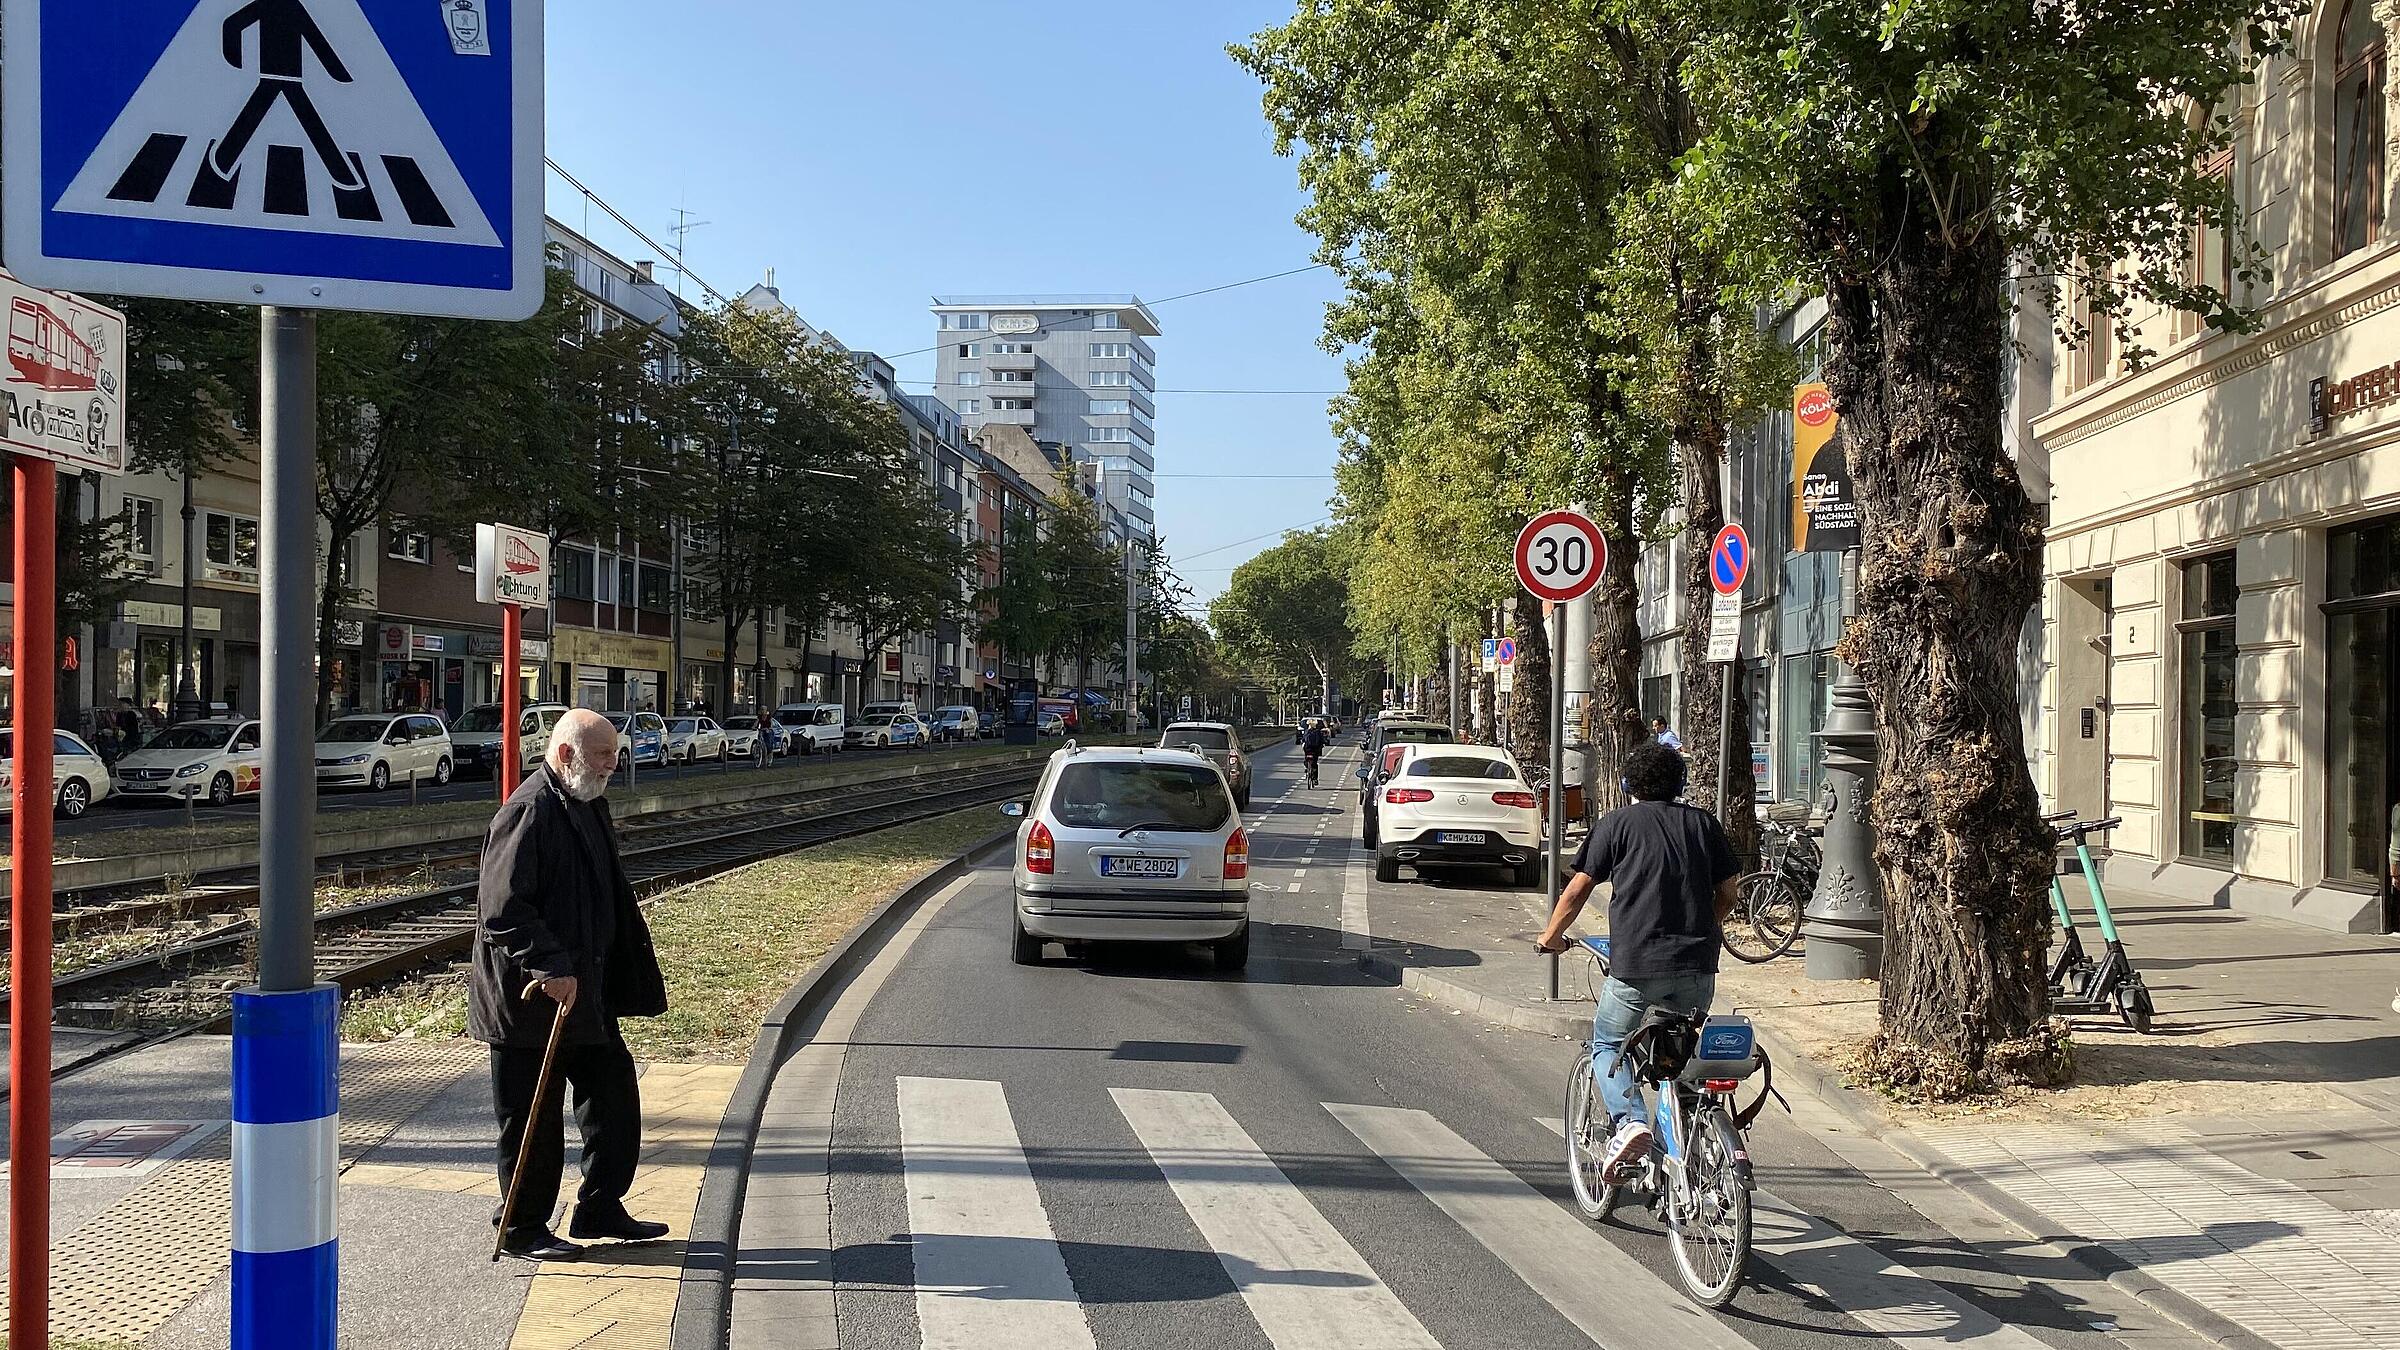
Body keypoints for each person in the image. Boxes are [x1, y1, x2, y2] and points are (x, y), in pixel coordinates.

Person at [470, 708, 669, 1261]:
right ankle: (522, 1228)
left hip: (586, 991)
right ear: (565, 754)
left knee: (614, 1100)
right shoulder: (526, 813)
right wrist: (551, 966)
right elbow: (501, 910)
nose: (613, 763)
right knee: (531, 1119)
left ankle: (599, 1207)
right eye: (603, 754)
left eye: (614, 752)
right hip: (532, 1002)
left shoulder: (585, 802)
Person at [1535, 742, 1740, 1181]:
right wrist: (1707, 925)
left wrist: (1550, 937)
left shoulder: (1617, 825)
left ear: (1628, 785)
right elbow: (1728, 892)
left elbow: (1576, 890)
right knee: (1681, 1057)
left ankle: (1629, 1123)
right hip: (1698, 968)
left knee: (1609, 1045)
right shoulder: (1704, 824)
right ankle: (1690, 1137)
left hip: (1637, 967)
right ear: (1680, 783)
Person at [1302, 718, 1328, 786]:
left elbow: (1303, 739)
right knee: (1315, 764)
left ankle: (1307, 768)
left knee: (1306, 760)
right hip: (1315, 750)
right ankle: (1315, 779)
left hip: (1307, 750)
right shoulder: (1318, 732)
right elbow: (1322, 740)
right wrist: (1323, 743)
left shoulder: (1307, 731)